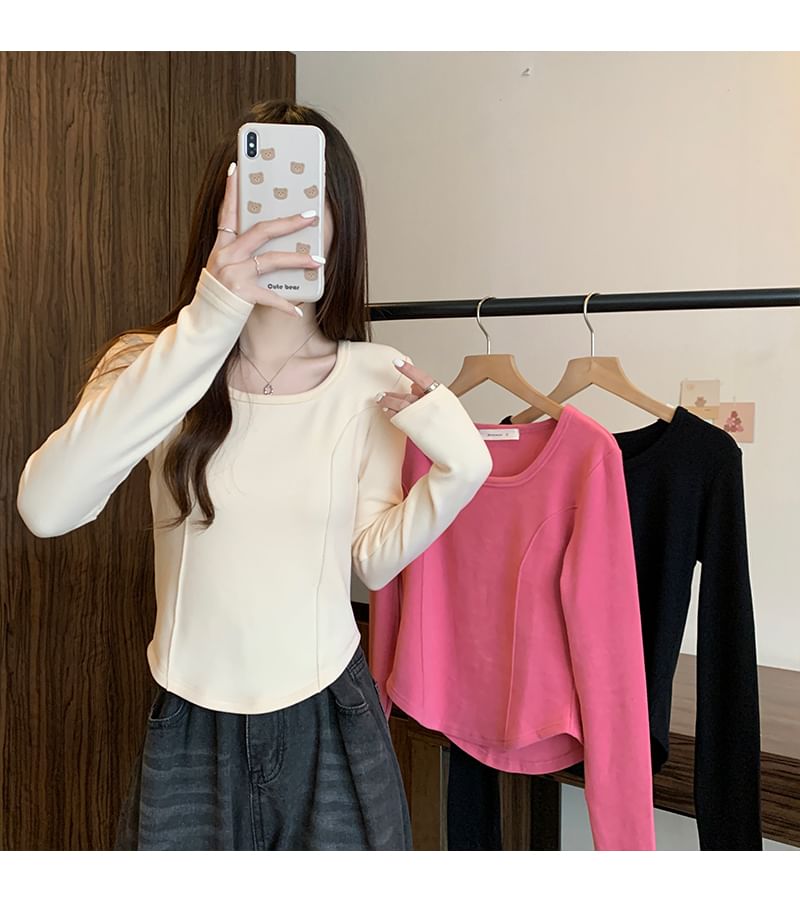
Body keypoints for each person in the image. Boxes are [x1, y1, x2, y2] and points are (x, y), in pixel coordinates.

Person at [16, 100, 493, 850]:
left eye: (308, 198)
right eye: (260, 198)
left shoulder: (373, 376)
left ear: (340, 224)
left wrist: (463, 469)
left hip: (331, 717)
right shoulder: (152, 363)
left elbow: (369, 560)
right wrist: (212, 317)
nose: (283, 220)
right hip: (189, 724)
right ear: (220, 215)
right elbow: (47, 508)